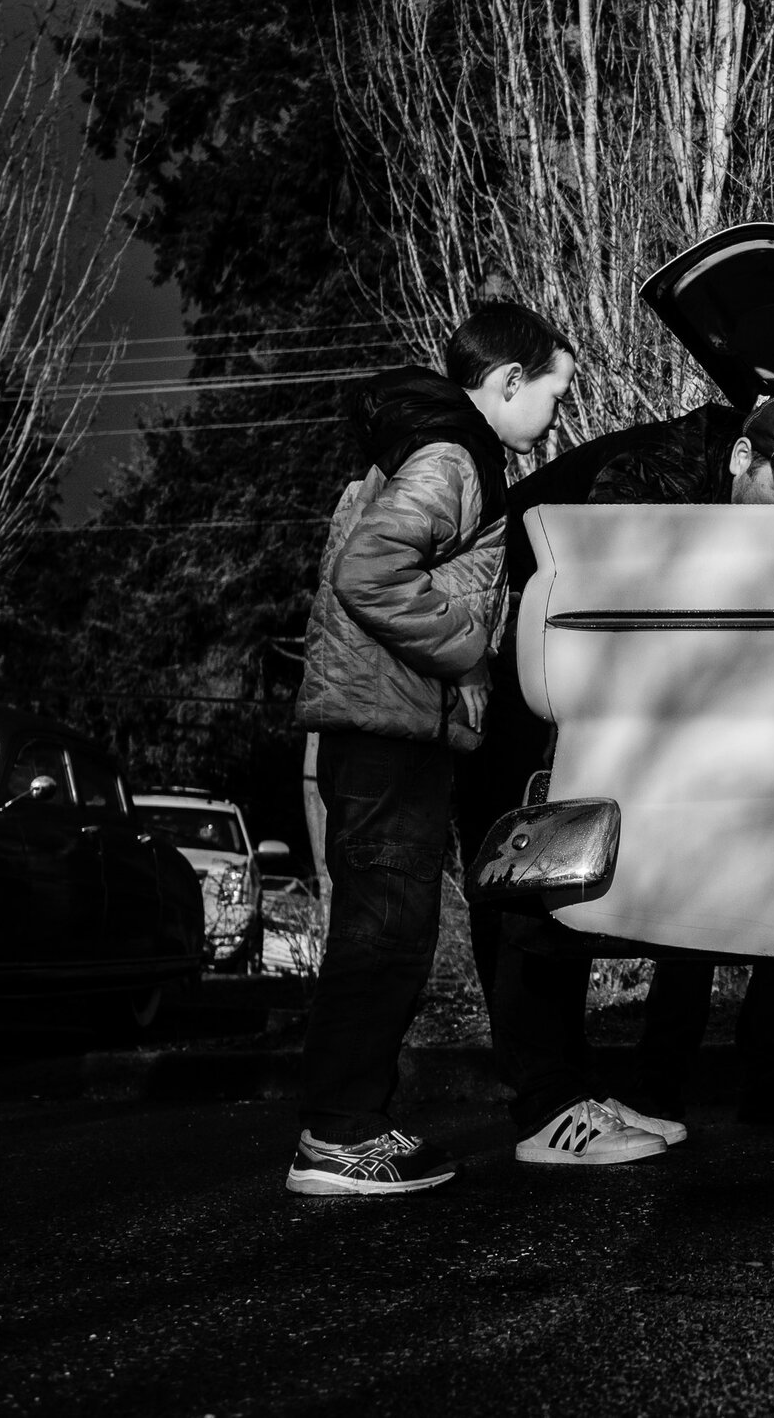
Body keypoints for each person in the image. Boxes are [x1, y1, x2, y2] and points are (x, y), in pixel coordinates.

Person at [472, 393, 774, 1152]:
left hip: (688, 676)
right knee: (553, 857)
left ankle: (682, 1083)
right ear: (741, 459)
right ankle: (550, 1100)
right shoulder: (655, 474)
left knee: (752, 858)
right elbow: (604, 603)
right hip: (532, 652)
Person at [286, 301, 593, 1195]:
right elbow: (370, 570)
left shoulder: (434, 449)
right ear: (507, 382)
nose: (557, 416)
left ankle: (346, 1126)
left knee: (388, 928)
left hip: (384, 728)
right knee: (384, 935)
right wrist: (467, 650)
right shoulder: (455, 456)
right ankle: (339, 1134)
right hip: (387, 733)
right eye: (554, 393)